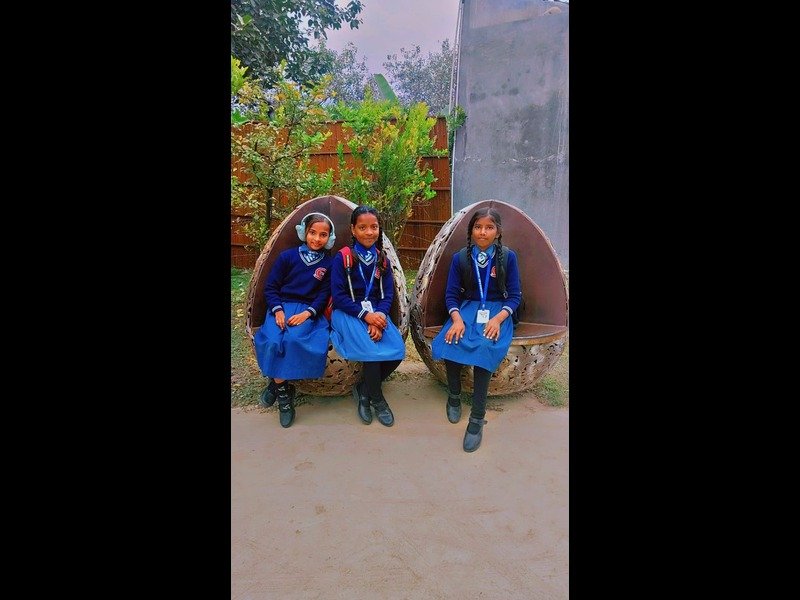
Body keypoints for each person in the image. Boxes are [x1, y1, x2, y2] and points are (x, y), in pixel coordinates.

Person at [431, 207, 522, 452]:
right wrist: (457, 319)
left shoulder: (508, 257)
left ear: (498, 232)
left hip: (498, 312)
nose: (483, 232)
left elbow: (515, 296)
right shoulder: (460, 258)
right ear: (471, 231)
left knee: (484, 346)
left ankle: (477, 417)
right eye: (478, 227)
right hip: (468, 309)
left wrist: (498, 319)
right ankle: (454, 396)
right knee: (452, 338)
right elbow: (451, 295)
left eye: (489, 227)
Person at [254, 212, 336, 428]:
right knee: (272, 340)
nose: (316, 238)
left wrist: (308, 313)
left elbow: (323, 295)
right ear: (304, 232)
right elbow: (271, 287)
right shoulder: (287, 257)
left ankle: (276, 386)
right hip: (281, 307)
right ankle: (284, 393)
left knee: (294, 340)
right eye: (312, 233)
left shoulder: (329, 264)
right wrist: (278, 311)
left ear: (329, 238)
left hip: (308, 312)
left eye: (323, 235)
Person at [329, 205, 406, 427]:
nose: (369, 232)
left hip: (375, 313)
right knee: (372, 351)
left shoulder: (382, 259)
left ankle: (363, 390)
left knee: (397, 351)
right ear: (353, 230)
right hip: (348, 312)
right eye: (362, 227)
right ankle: (377, 400)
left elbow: (387, 294)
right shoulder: (343, 258)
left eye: (374, 227)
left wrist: (379, 316)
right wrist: (366, 316)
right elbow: (339, 296)